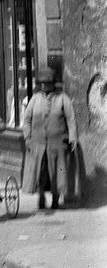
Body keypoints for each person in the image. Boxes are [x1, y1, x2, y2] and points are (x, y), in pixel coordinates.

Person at [22, 67, 79, 210]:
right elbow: (27, 119)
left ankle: (55, 200)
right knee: (41, 172)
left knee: (59, 172)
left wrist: (73, 138)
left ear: (53, 83)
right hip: (38, 143)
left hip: (58, 143)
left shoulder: (63, 98)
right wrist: (27, 137)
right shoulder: (35, 99)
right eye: (41, 83)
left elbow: (71, 119)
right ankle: (41, 197)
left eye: (47, 83)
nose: (43, 86)